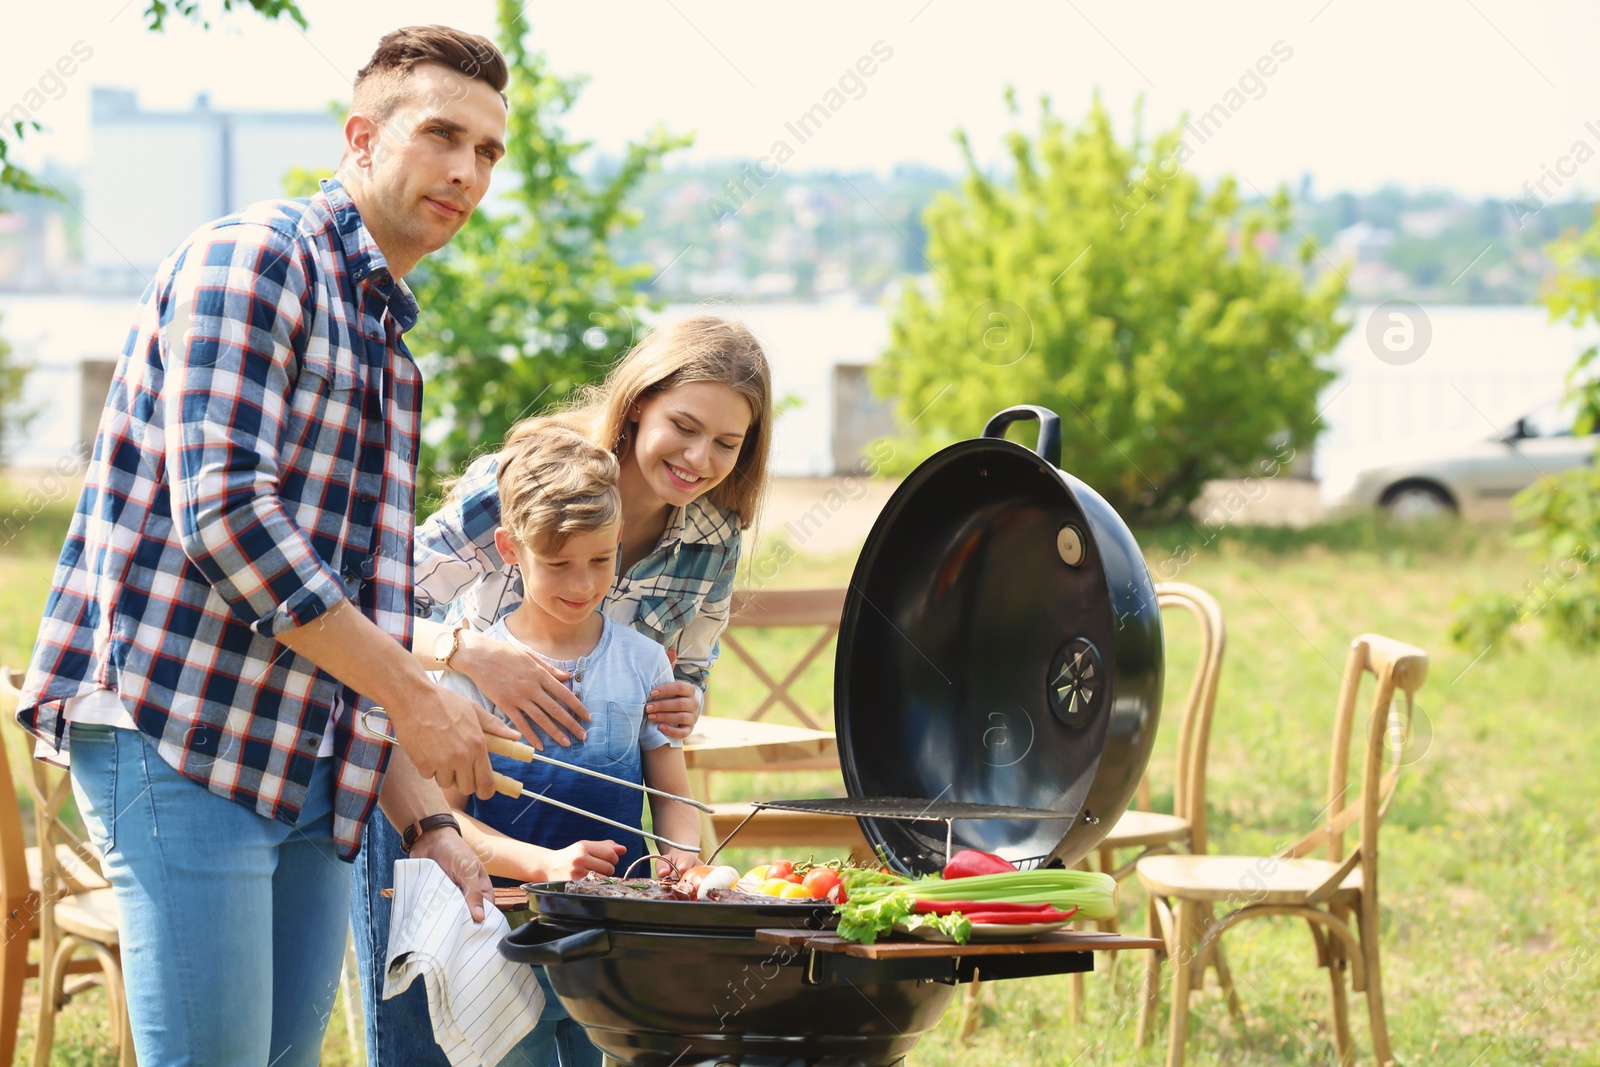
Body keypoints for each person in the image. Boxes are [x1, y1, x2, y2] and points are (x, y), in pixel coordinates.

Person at [13, 26, 520, 1066]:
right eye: (440, 135)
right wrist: (421, 697)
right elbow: (229, 519)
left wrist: (426, 820)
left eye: (488, 152)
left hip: (311, 755)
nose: (466, 170)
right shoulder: (255, 259)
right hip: (180, 727)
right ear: (361, 138)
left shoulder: (390, 340)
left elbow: (351, 601)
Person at [353, 314, 774, 1065]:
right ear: (640, 400)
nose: (699, 457)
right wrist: (470, 651)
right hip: (431, 774)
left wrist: (686, 700)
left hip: (586, 840)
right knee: (422, 1041)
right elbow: (370, 610)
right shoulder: (529, 481)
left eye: (727, 443)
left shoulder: (714, 534)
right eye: (684, 424)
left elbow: (684, 677)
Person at [431, 424, 701, 1064]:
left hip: (615, 939)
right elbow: (446, 819)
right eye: (556, 565)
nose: (582, 584)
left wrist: (682, 859)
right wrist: (544, 866)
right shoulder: (474, 673)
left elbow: (673, 794)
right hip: (503, 933)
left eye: (600, 561)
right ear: (509, 549)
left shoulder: (644, 663)